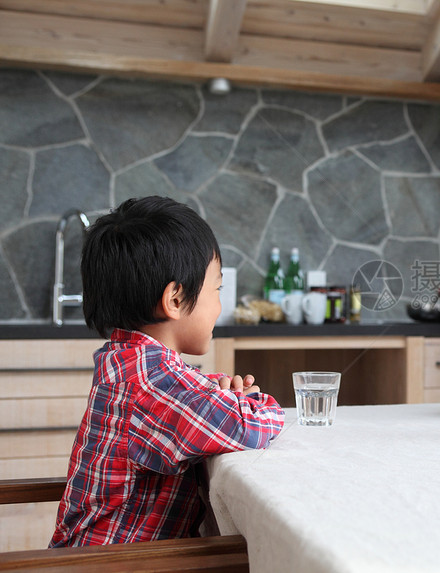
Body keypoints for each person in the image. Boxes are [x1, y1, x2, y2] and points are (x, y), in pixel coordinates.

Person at [51, 196, 286, 546]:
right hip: (110, 567)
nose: (220, 304)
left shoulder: (126, 358)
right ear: (175, 299)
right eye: (217, 289)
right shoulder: (149, 383)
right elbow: (249, 425)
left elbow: (190, 390)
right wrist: (253, 403)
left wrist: (222, 397)